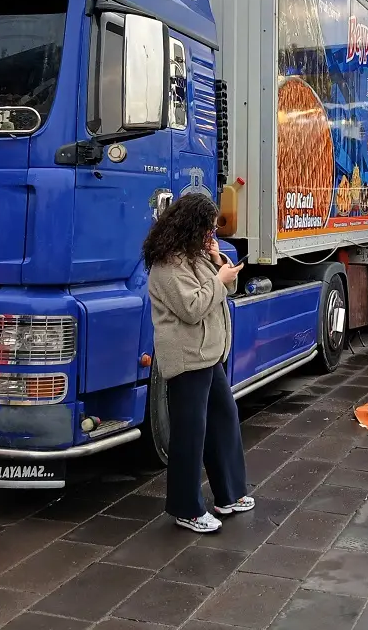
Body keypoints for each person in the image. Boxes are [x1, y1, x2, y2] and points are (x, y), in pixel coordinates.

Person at [143, 193, 252, 534]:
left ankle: (229, 494)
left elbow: (220, 294)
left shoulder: (194, 256)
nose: (210, 234)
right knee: (190, 434)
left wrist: (220, 265)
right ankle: (186, 508)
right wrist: (218, 280)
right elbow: (192, 307)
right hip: (188, 358)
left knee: (223, 417)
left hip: (208, 355)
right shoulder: (167, 265)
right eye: (206, 228)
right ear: (191, 227)